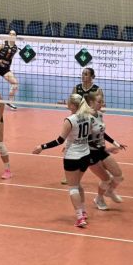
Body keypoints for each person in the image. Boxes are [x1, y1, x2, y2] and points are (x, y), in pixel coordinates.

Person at [33, 94, 93, 228]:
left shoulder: (70, 120)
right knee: (78, 184)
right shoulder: (88, 116)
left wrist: (41, 147)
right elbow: (88, 135)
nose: (66, 103)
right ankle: (83, 211)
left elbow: (59, 140)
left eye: (68, 101)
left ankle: (80, 218)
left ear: (72, 105)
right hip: (85, 155)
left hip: (73, 157)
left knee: (73, 188)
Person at [86, 90, 126, 211]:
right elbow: (87, 140)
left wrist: (116, 143)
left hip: (101, 150)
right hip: (90, 153)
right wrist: (107, 149)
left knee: (119, 176)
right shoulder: (86, 118)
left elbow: (102, 132)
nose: (102, 104)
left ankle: (110, 191)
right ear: (91, 102)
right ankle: (99, 199)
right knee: (106, 179)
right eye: (99, 102)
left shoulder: (99, 115)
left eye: (102, 101)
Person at [0, 30, 19, 109]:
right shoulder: (2, 44)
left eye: (13, 34)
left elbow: (10, 59)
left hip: (5, 69)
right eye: (10, 34)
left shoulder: (15, 48)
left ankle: (10, 102)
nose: (11, 35)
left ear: (15, 36)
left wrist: (7, 66)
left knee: (15, 83)